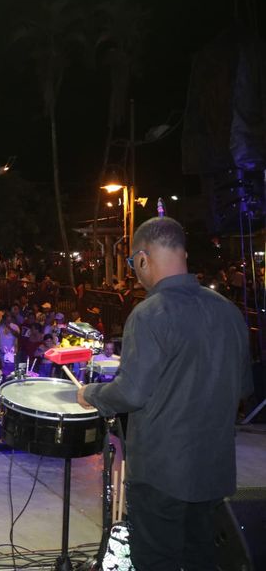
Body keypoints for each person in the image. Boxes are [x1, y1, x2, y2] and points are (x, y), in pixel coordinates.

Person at [77, 217, 252, 570]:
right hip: (213, 469)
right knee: (201, 558)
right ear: (182, 254)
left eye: (132, 263)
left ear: (142, 259)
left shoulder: (149, 314)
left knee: (157, 561)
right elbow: (244, 388)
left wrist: (91, 394)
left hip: (161, 473)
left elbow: (131, 393)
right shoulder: (229, 311)